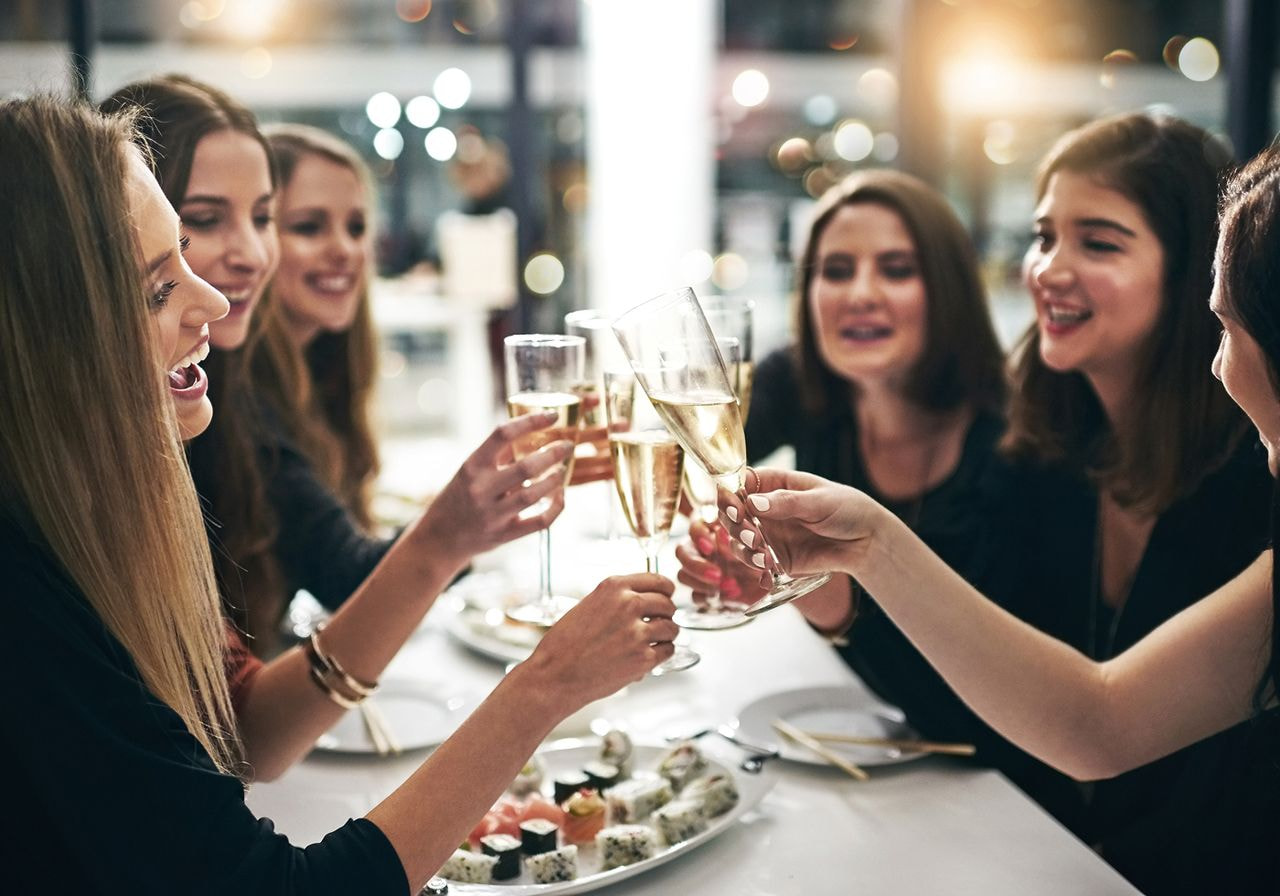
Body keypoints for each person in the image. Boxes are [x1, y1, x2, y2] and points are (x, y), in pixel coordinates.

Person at [0, 94, 678, 893]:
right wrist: (542, 690)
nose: (217, 296)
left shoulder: (91, 521)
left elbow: (241, 724)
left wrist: (442, 542)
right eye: (157, 288)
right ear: (49, 344)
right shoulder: (34, 600)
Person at [720, 141, 1280, 895]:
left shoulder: (1245, 481)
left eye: (1099, 242)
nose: (1048, 269)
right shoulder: (1052, 449)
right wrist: (845, 587)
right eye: (1044, 237)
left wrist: (870, 550)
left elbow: (1096, 726)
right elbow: (998, 704)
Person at [674, 169, 1088, 823]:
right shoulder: (807, 388)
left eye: (896, 269)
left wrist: (831, 596)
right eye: (835, 271)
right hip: (863, 797)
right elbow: (685, 461)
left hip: (1004, 809)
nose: (859, 294)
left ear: (947, 290)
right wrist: (724, 541)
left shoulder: (1026, 446)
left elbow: (988, 719)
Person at [101, 78, 457, 656]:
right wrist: (461, 523)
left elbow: (233, 680)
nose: (251, 253)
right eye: (205, 219)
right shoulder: (216, 406)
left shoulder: (227, 380)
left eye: (263, 217)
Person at [260, 122, 382, 529]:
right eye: (309, 226)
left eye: (357, 227)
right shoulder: (239, 399)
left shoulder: (324, 374)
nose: (345, 250)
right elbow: (345, 572)